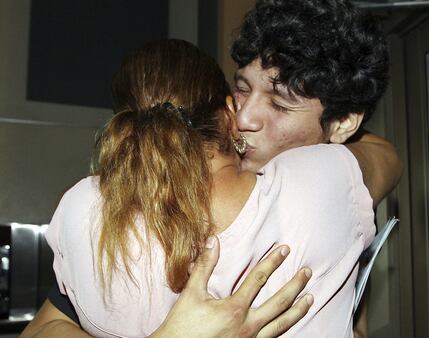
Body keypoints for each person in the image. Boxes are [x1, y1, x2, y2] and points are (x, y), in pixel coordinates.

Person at [22, 0, 399, 336]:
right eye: (242, 88)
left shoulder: (92, 201)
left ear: (344, 123)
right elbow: (385, 159)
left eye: (280, 106)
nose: (246, 116)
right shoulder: (332, 186)